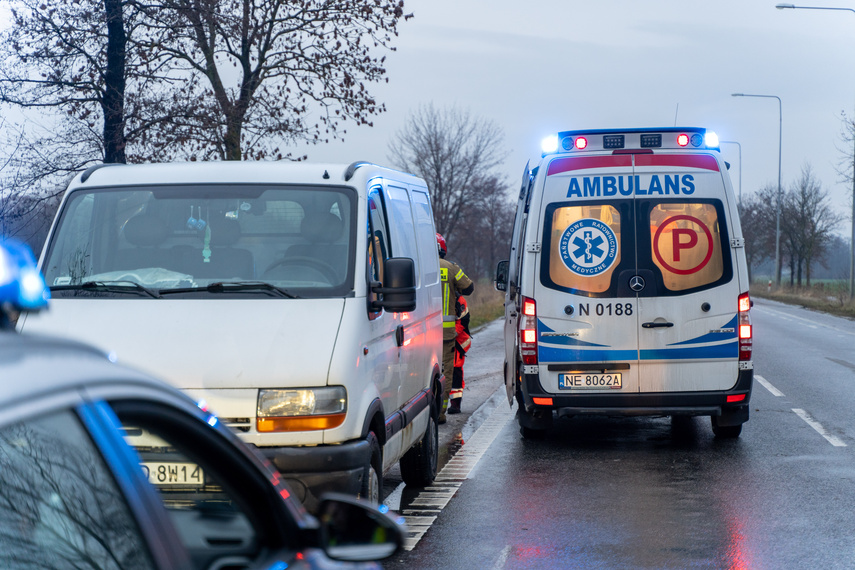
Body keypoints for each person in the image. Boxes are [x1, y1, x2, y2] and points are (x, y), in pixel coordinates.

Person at [437, 233, 473, 423]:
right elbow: (468, 288)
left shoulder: (418, 266)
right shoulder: (450, 268)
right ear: (443, 249)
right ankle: (440, 413)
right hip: (445, 333)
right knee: (445, 373)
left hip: (418, 333)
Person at [449, 296, 472, 414]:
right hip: (443, 340)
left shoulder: (459, 299)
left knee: (456, 371)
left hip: (457, 342)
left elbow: (463, 320)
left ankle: (455, 404)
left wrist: (450, 334)